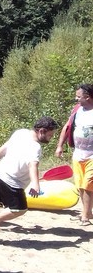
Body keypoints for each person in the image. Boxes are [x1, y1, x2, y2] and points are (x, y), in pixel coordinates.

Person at [0, 117, 59, 229]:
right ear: (42, 131)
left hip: (0, 172)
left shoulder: (21, 132)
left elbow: (5, 146)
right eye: (50, 135)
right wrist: (35, 184)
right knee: (19, 209)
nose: (50, 138)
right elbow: (33, 165)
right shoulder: (35, 147)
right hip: (12, 180)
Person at [54, 84, 93, 225]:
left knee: (88, 184)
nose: (76, 99)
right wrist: (59, 146)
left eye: (78, 96)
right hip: (78, 153)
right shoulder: (77, 110)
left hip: (92, 155)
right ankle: (86, 212)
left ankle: (85, 217)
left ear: (87, 97)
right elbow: (67, 127)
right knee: (81, 185)